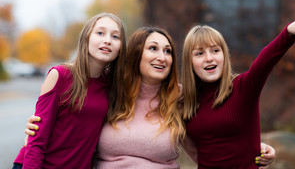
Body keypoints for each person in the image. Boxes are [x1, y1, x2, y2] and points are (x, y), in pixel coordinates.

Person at [22, 27, 276, 168]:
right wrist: (37, 127)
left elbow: (210, 144)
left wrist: (254, 148)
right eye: (152, 49)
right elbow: (71, 126)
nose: (162, 56)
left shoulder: (180, 97)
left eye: (167, 51)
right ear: (135, 56)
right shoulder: (110, 91)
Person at [181, 7, 295, 168]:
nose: (209, 58)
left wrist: (289, 33)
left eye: (215, 50)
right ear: (189, 61)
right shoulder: (184, 100)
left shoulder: (243, 88)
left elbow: (264, 61)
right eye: (199, 53)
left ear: (224, 55)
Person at [12, 12, 127, 169]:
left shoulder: (114, 86)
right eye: (100, 33)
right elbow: (37, 137)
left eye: (115, 37)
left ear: (121, 48)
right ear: (86, 39)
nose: (107, 40)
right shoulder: (60, 75)